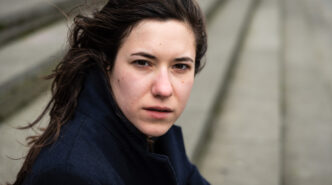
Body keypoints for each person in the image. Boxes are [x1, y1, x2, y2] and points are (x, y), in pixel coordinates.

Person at [12, 0, 208, 184]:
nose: (164, 89)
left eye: (180, 66)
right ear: (106, 63)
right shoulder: (70, 174)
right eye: (142, 63)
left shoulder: (156, 132)